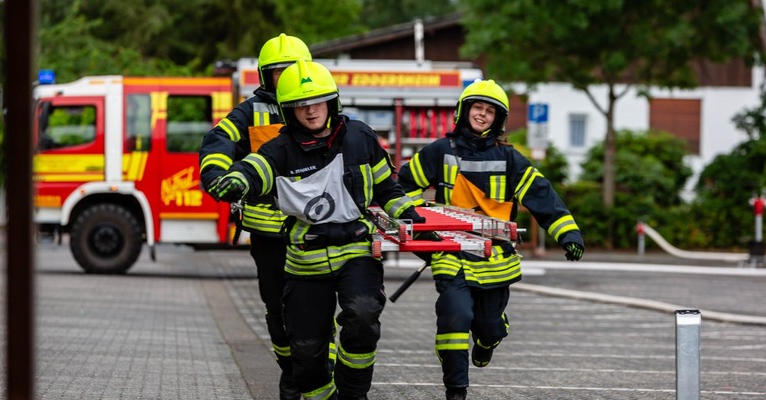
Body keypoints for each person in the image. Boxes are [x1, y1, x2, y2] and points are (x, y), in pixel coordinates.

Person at [208, 59, 426, 400]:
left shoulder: (360, 137)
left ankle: (353, 394)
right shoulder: (279, 149)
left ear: (332, 101)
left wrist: (412, 218)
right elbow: (255, 170)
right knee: (307, 354)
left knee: (363, 316)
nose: (310, 112)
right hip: (304, 260)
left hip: (356, 250)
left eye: (317, 102)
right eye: (300, 105)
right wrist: (235, 180)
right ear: (288, 110)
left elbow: (387, 189)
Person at [396, 79, 585, 400]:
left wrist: (568, 233)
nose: (482, 115)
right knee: (454, 318)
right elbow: (401, 189)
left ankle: (489, 338)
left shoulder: (510, 158)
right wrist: (424, 229)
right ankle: (456, 390)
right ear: (463, 111)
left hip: (495, 259)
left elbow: (541, 195)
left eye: (489, 111)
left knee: (488, 326)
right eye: (477, 108)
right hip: (450, 253)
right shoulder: (439, 151)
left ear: (498, 119)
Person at [199, 33, 323, 400]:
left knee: (315, 309)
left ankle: (314, 375)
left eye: (292, 72)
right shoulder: (250, 112)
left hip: (316, 231)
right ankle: (291, 373)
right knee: (277, 311)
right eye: (278, 73)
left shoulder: (321, 108)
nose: (285, 79)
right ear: (264, 77)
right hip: (269, 234)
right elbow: (218, 141)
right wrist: (218, 176)